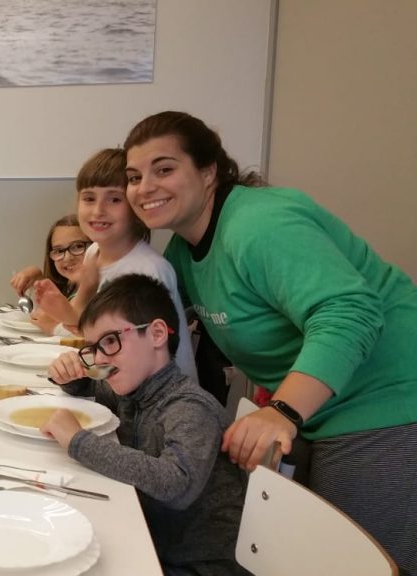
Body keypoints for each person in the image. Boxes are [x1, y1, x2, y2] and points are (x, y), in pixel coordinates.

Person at [123, 110, 417, 573]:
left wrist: (282, 410)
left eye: (164, 169)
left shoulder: (259, 224)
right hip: (318, 411)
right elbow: (148, 325)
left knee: (355, 561)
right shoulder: (183, 250)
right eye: (134, 177)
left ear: (208, 171)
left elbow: (350, 312)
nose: (145, 187)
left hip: (385, 401)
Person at [44, 274, 247, 576]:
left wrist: (79, 441)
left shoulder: (190, 408)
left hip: (194, 565)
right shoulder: (136, 388)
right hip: (149, 539)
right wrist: (72, 378)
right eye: (93, 348)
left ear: (156, 334)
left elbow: (177, 483)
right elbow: (96, 390)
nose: (99, 359)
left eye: (110, 341)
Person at [34, 149, 198, 382]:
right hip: (116, 383)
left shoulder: (147, 270)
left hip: (158, 394)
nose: (98, 211)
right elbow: (87, 320)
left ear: (136, 206)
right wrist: (62, 310)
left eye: (114, 199)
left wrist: (64, 322)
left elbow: (136, 357)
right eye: (89, 198)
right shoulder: (93, 253)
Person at [9, 214, 91, 334]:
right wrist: (37, 280)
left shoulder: (104, 291)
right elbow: (41, 315)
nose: (68, 258)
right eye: (59, 251)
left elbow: (98, 336)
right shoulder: (71, 285)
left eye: (78, 246)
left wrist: (55, 327)